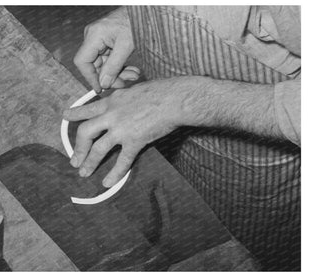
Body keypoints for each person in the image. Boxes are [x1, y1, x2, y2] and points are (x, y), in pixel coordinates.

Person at [62, 6, 301, 270]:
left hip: (267, 153)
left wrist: (182, 101)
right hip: (179, 122)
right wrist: (135, 17)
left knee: (248, 246)